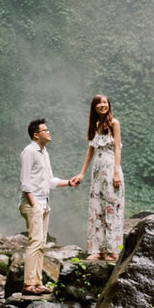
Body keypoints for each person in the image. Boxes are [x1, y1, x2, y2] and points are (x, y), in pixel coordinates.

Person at [19, 118, 74, 294]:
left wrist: (70, 183)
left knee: (41, 243)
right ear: (36, 135)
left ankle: (37, 282)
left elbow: (49, 181)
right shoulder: (29, 152)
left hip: (44, 202)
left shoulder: (44, 152)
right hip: (33, 203)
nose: (49, 132)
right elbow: (25, 182)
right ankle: (28, 284)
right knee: (35, 243)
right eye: (45, 130)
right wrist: (34, 204)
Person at [73, 94, 124, 262]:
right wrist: (82, 173)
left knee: (112, 207)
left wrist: (116, 172)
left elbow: (117, 148)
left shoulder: (114, 124)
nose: (103, 105)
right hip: (97, 171)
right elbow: (90, 151)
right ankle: (98, 250)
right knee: (97, 208)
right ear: (94, 107)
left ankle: (113, 250)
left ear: (109, 104)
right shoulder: (95, 125)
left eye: (105, 102)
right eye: (99, 103)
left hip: (110, 168)